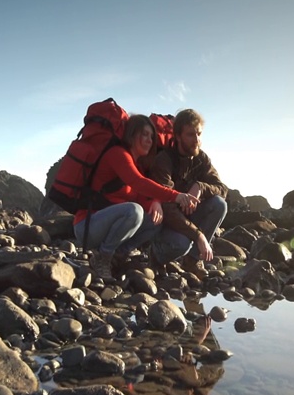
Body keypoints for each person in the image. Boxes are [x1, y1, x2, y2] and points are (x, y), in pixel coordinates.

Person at [73, 115, 199, 280]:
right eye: (144, 135)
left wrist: (155, 202)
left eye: (152, 136)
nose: (149, 140)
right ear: (131, 135)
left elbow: (140, 194)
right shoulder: (117, 154)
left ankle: (118, 256)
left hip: (105, 228)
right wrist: (175, 196)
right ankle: (103, 258)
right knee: (134, 211)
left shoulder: (137, 164)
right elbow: (138, 183)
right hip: (87, 227)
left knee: (154, 220)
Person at [146, 108, 228, 270]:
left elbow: (222, 189)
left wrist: (200, 187)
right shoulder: (164, 160)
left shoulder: (201, 158)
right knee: (181, 244)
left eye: (199, 134)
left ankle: (192, 260)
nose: (196, 139)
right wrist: (199, 236)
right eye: (190, 135)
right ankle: (155, 253)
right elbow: (167, 208)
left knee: (219, 204)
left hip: (187, 215)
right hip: (166, 222)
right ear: (178, 136)